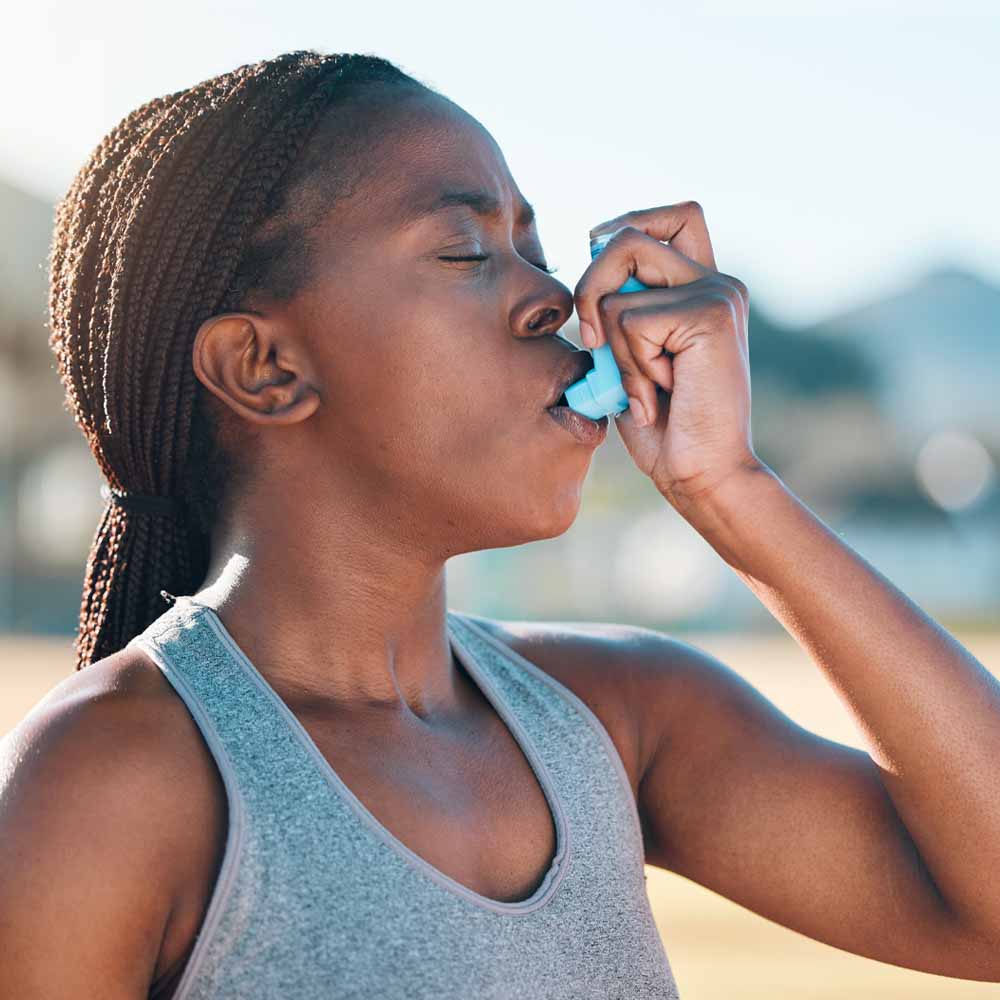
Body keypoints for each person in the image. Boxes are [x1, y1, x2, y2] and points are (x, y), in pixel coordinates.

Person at [2, 48, 999, 1000]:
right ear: (266, 367)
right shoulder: (110, 782)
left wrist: (731, 486)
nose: (556, 301)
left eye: (533, 249)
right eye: (465, 250)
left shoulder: (620, 717)